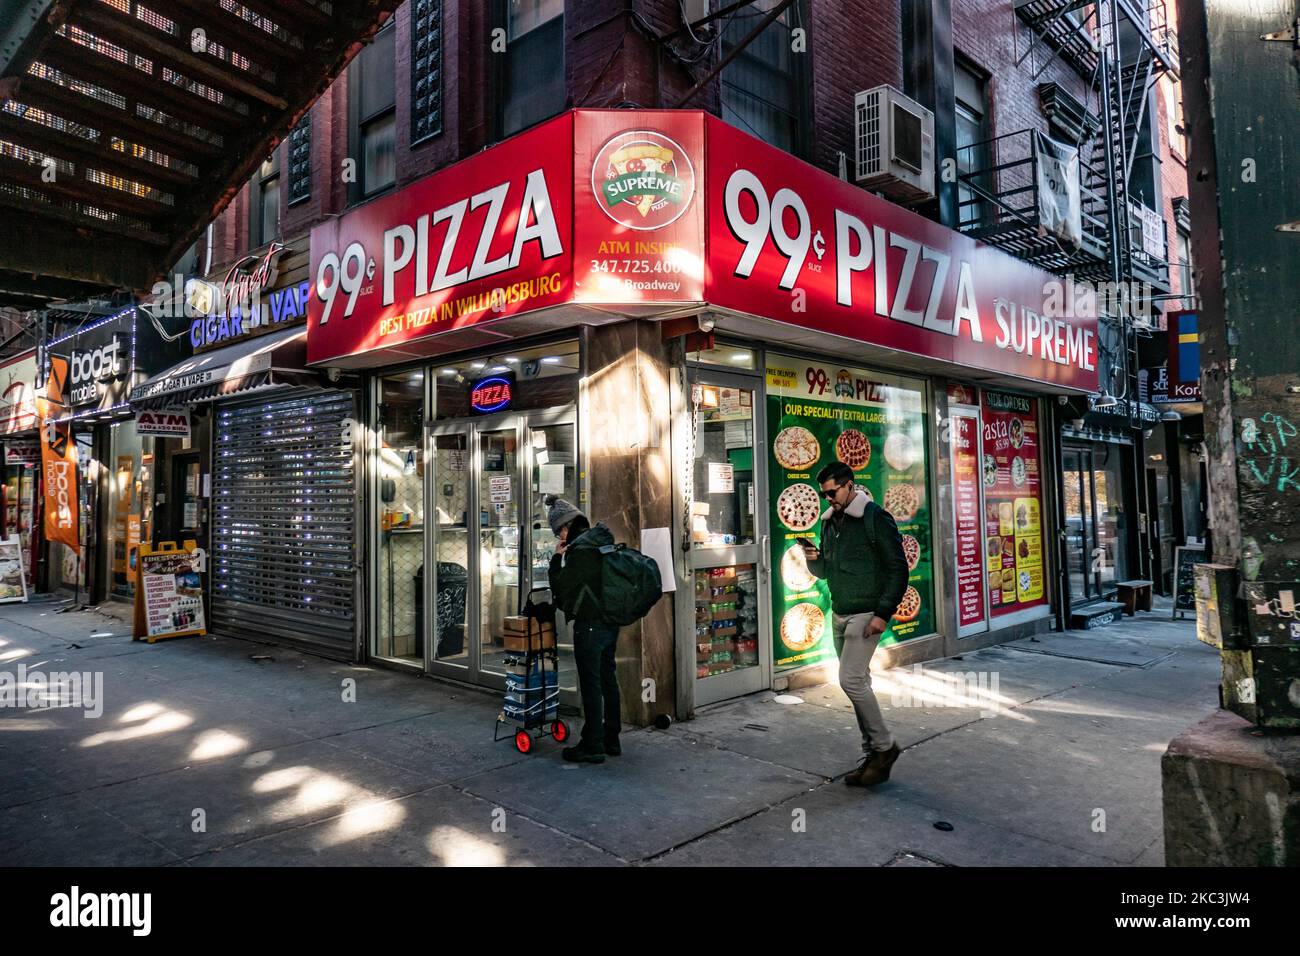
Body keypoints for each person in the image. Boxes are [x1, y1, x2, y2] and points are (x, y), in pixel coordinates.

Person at [803, 461, 909, 787]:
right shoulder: (829, 522)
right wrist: (814, 560)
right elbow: (826, 572)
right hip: (839, 612)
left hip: (865, 615)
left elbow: (898, 569)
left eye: (832, 492)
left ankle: (885, 746)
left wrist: (883, 614)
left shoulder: (876, 518)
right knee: (859, 682)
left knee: (849, 680)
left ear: (850, 485)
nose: (828, 500)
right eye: (824, 495)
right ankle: (872, 755)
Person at [545, 495, 621, 764]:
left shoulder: (580, 551)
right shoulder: (601, 540)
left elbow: (561, 589)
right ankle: (612, 738)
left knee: (591, 684)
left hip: (590, 625)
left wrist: (556, 559)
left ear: (566, 527)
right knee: (608, 678)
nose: (560, 535)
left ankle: (592, 744)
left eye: (559, 531)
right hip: (610, 621)